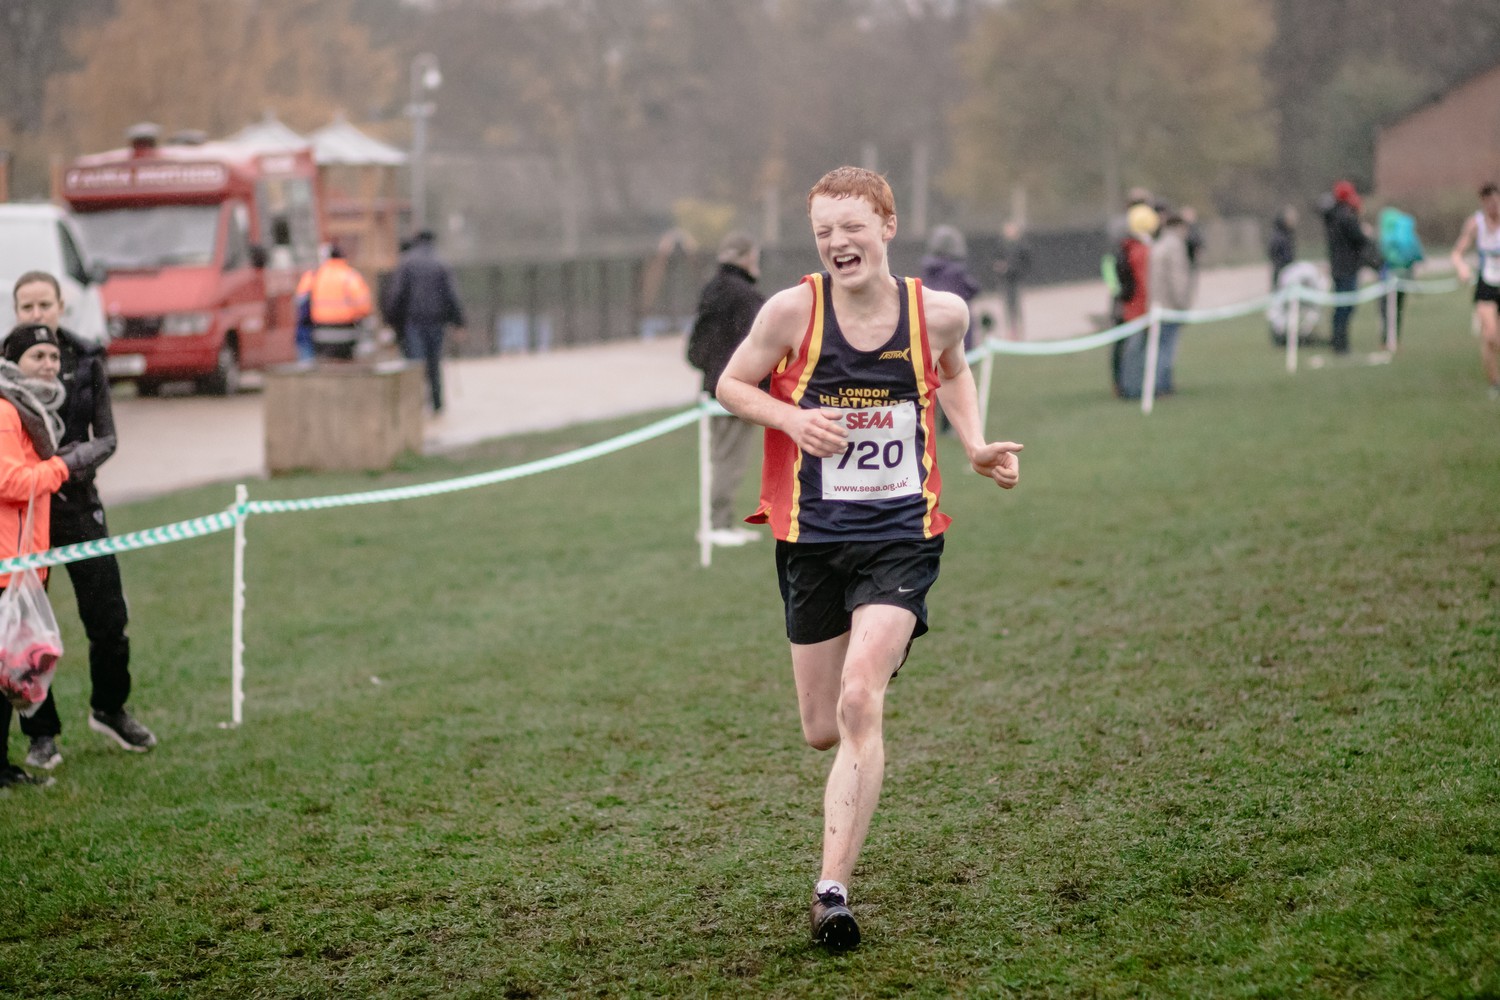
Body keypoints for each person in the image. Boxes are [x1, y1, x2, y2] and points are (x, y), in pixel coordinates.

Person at [715, 166, 1023, 949]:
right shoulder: (792, 311)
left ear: (887, 224)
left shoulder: (938, 312)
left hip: (901, 534)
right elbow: (730, 385)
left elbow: (951, 372)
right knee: (822, 726)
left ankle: (832, 891)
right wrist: (790, 418)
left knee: (859, 699)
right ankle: (861, 678)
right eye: (823, 231)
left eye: (851, 227)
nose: (836, 243)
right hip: (813, 540)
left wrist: (978, 443)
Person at [12, 273, 156, 768]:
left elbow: (108, 438)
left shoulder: (88, 357)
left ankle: (111, 708)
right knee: (26, 631)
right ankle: (41, 734)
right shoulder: (6, 365)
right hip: (25, 514)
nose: (36, 314)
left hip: (79, 503)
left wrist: (69, 463)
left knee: (109, 617)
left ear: (60, 306)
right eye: (26, 305)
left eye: (43, 304)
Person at [0, 323, 73, 788]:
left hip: (25, 562)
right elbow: (11, 481)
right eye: (36, 357)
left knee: (9, 674)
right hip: (5, 562)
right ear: (13, 364)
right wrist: (65, 465)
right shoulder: (7, 410)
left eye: (53, 356)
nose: (48, 365)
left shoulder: (35, 412)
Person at [685, 232, 765, 547]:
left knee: (719, 456)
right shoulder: (746, 298)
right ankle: (718, 524)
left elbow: (695, 348)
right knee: (729, 458)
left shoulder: (712, 290)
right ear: (746, 258)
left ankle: (720, 521)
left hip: (711, 386)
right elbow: (759, 347)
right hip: (736, 389)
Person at [384, 230, 466, 414]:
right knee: (434, 363)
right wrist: (459, 322)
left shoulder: (407, 263)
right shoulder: (441, 264)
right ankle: (437, 404)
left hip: (413, 321)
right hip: (436, 321)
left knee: (415, 364)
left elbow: (396, 295)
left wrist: (391, 321)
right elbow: (451, 296)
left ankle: (415, 406)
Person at [920, 225, 981, 435]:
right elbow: (972, 289)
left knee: (934, 378)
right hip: (956, 331)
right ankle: (952, 425)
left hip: (932, 331)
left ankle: (933, 422)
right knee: (955, 375)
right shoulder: (957, 271)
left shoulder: (928, 268)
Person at [1450, 182, 1500, 399]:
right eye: (1489, 202)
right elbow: (1457, 253)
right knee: (1490, 336)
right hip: (1486, 284)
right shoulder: (1476, 223)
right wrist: (1461, 268)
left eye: (1496, 201)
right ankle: (1494, 383)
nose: (1494, 206)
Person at [1322, 180, 1373, 355]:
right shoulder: (1345, 217)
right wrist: (1364, 230)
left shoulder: (1333, 215)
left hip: (1338, 267)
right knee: (1345, 307)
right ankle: (1340, 345)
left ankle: (1338, 342)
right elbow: (1360, 238)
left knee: (1340, 307)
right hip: (1347, 268)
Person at [1113, 202, 1157, 398]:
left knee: (1135, 349)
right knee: (1135, 350)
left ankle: (1133, 386)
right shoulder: (1140, 250)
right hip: (1138, 307)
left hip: (1134, 306)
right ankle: (1132, 388)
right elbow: (1144, 282)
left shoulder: (1130, 247)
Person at [1147, 213, 1194, 395]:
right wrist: (1182, 303)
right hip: (1169, 307)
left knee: (1159, 348)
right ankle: (1163, 386)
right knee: (1167, 349)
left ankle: (1159, 385)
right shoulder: (1174, 246)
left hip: (1158, 305)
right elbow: (1177, 279)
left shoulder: (1159, 244)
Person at [306, 245, 373, 362]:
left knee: (326, 363)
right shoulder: (350, 275)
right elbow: (363, 306)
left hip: (321, 330)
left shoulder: (315, 275)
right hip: (346, 331)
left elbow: (302, 299)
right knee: (345, 365)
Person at [1377, 204, 1424, 345]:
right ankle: (1394, 339)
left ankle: (1386, 340)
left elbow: (1381, 256)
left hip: (1389, 276)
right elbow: (1417, 254)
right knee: (1398, 309)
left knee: (1386, 310)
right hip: (1404, 275)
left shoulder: (1387, 235)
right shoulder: (1404, 231)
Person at [993, 220, 1032, 341]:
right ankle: (1010, 331)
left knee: (1016, 306)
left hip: (1016, 280)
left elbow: (1025, 263)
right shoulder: (1002, 245)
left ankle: (1020, 331)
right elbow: (996, 259)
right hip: (1005, 281)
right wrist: (1000, 268)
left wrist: (1010, 268)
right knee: (1007, 306)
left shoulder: (1021, 246)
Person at [1267, 205, 1299, 289]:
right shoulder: (1279, 236)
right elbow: (1273, 253)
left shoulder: (1287, 235)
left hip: (1287, 269)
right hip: (1282, 270)